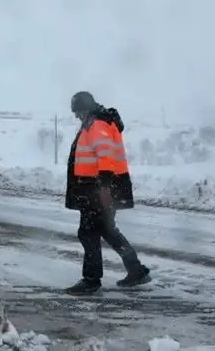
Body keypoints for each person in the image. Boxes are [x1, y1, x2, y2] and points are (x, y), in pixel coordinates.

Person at [64, 91, 151, 295]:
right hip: (99, 186)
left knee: (88, 233)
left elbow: (106, 155)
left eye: (78, 112)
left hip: (98, 188)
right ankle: (136, 270)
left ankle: (91, 280)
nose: (77, 116)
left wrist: (103, 187)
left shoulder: (98, 124)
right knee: (107, 230)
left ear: (86, 109)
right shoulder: (96, 122)